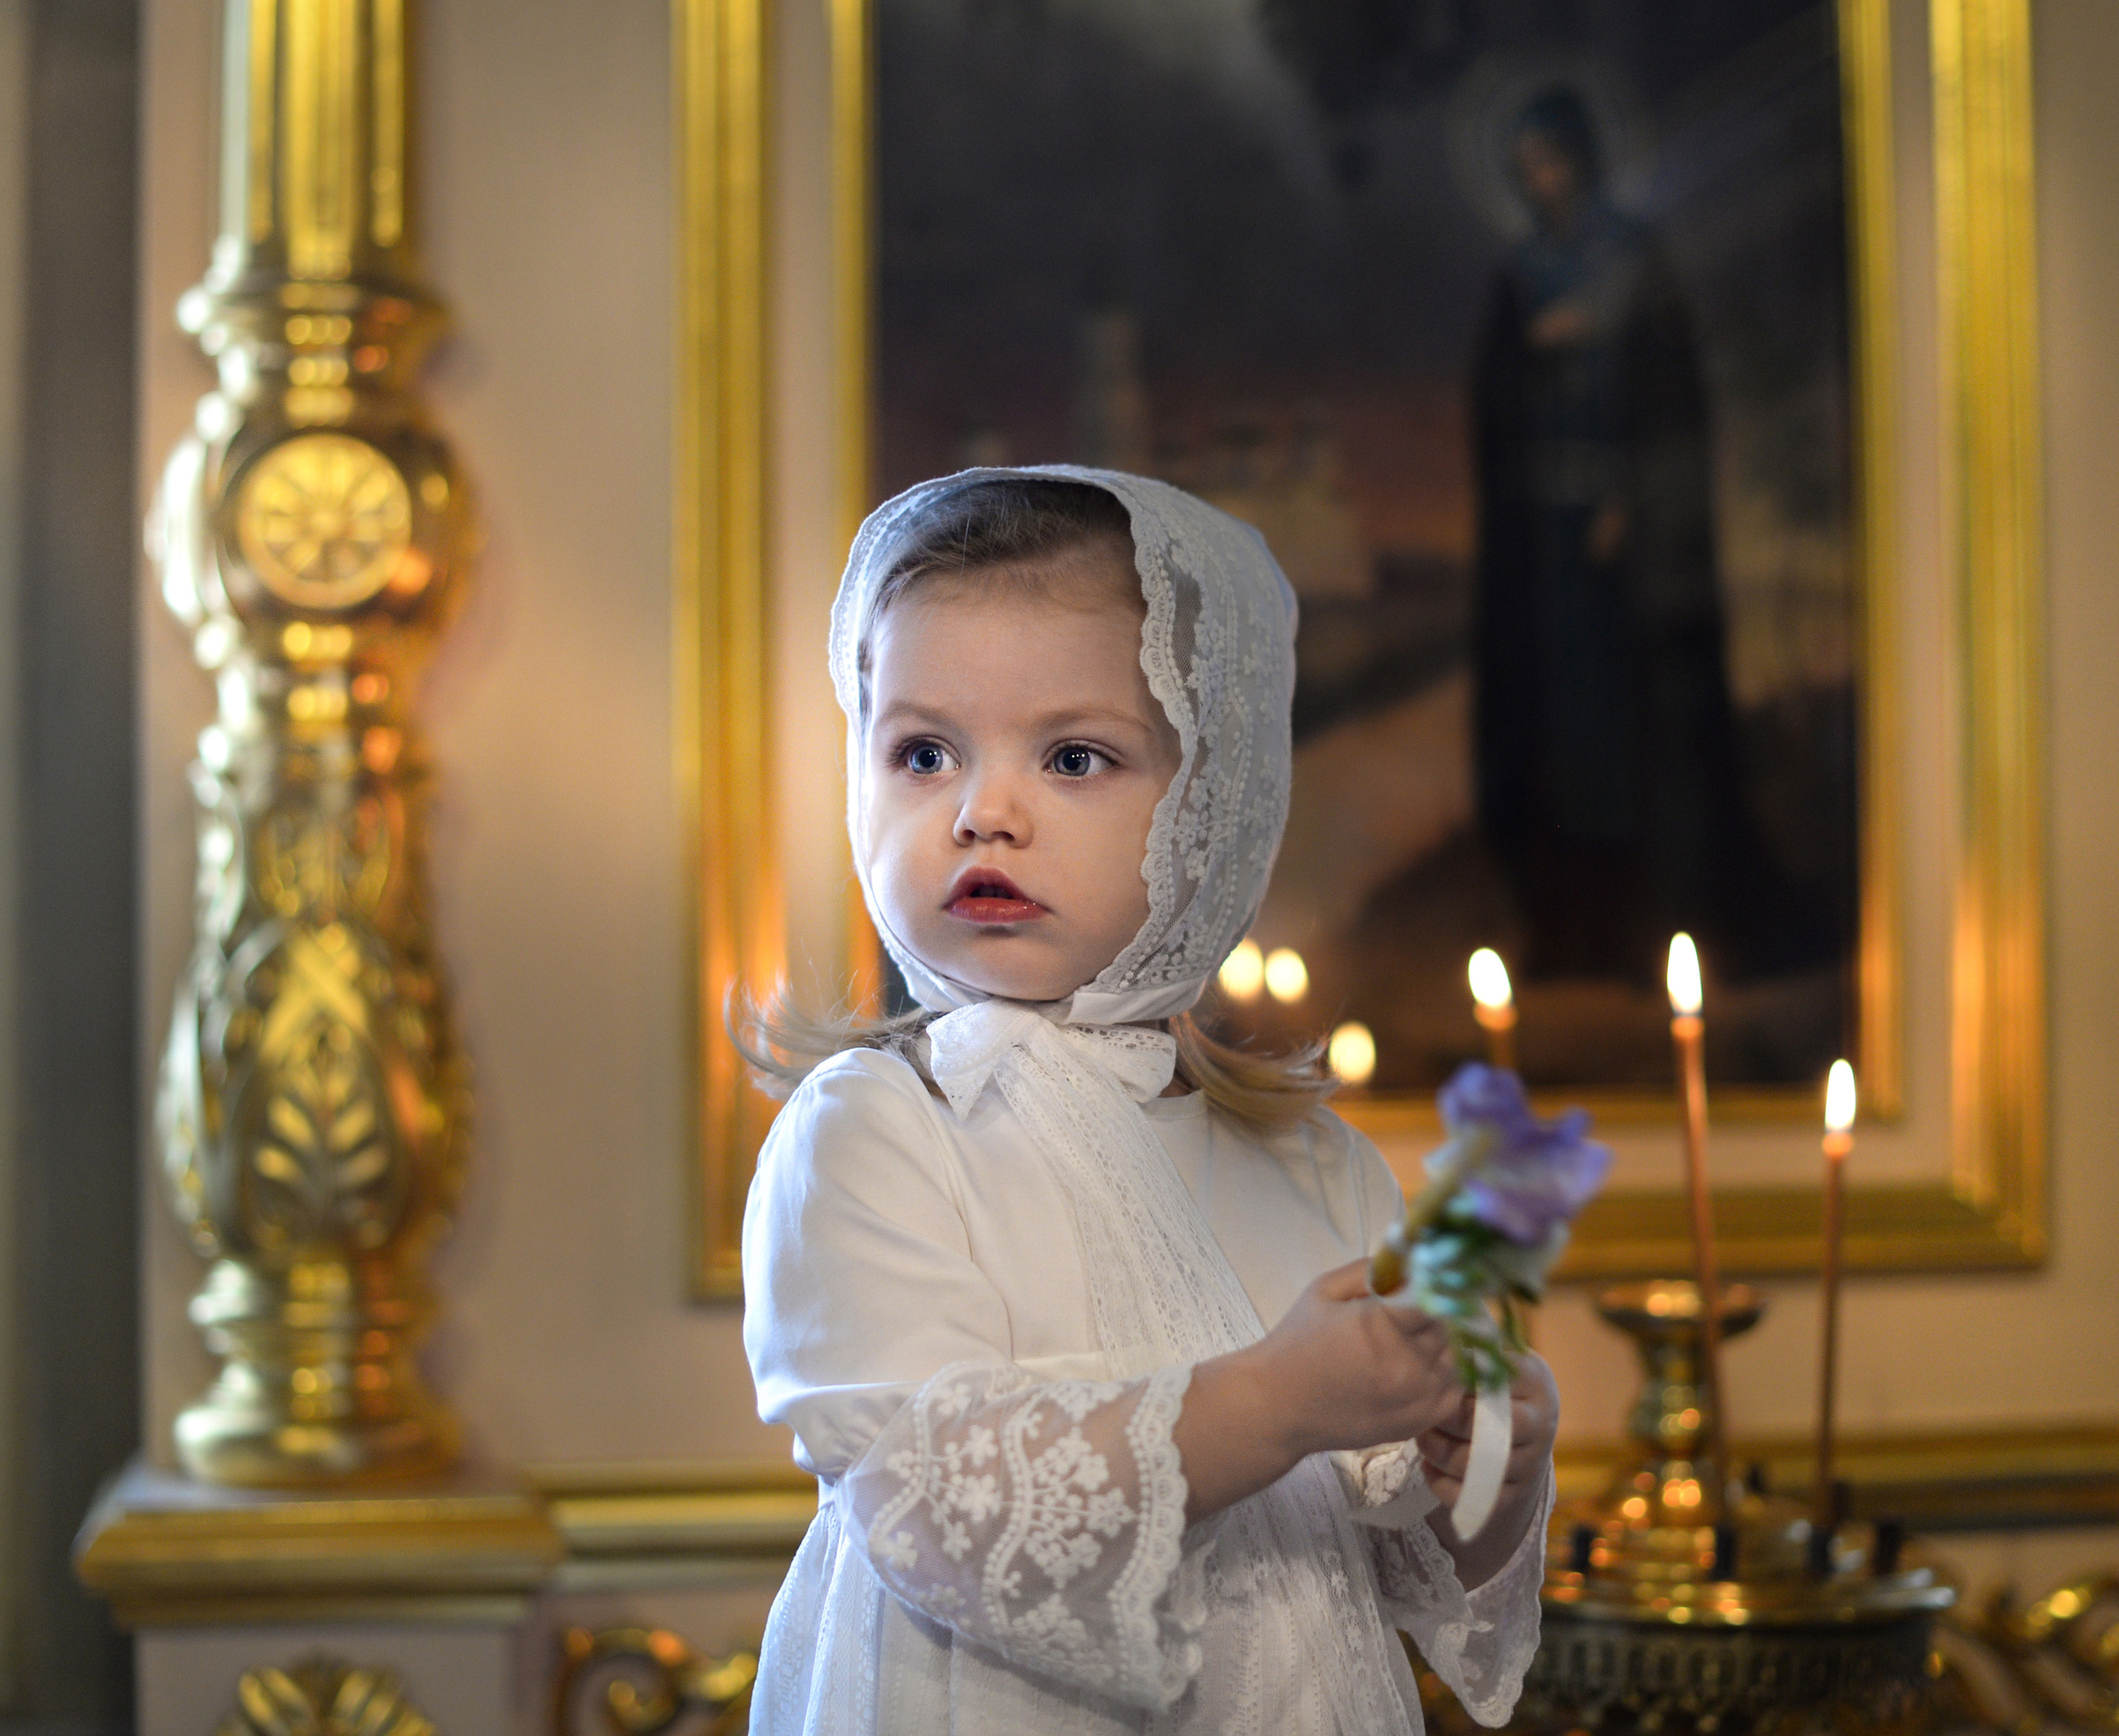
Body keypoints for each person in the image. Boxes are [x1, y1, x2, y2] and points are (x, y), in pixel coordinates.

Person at [737, 468, 1557, 1733]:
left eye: (1074, 756)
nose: (981, 811)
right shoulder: (872, 1131)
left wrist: (1477, 1450)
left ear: (1214, 809)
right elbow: (938, 1496)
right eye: (922, 751)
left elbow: (1404, 1556)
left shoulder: (1314, 1163)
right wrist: (1278, 1399)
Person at [1470, 87, 1770, 982]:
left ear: (1585, 160)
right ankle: (1569, 927)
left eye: (1553, 161)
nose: (1543, 181)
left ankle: (1656, 926)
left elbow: (1667, 396)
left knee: (1635, 735)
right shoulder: (1523, 268)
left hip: (1622, 548)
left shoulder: (1634, 258)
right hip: (1544, 548)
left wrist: (1630, 499)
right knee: (1559, 742)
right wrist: (1533, 354)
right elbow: (1494, 395)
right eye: (1527, 168)